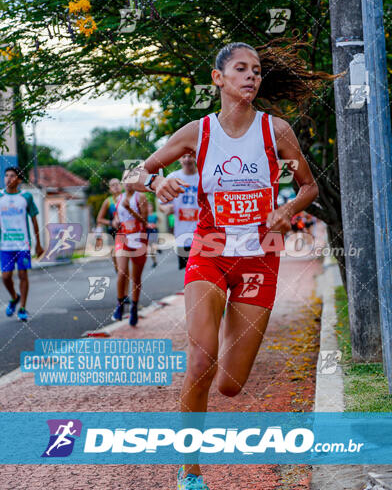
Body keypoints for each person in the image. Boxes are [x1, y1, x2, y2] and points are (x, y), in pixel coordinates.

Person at [129, 39, 328, 490]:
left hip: (261, 257)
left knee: (230, 385)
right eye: (241, 69)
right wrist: (155, 182)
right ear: (219, 79)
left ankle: (222, 336)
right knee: (199, 360)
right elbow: (134, 174)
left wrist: (287, 209)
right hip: (210, 251)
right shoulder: (196, 133)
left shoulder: (275, 131)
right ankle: (190, 470)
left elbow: (309, 187)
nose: (251, 77)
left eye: (256, 71)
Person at [0, 166, 43, 322]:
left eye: (12, 176)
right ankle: (14, 297)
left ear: (18, 180)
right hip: (5, 245)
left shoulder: (26, 197)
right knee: (5, 277)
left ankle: (23, 308)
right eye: (6, 176)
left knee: (23, 274)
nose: (8, 179)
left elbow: (34, 219)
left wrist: (38, 244)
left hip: (23, 244)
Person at [111, 181, 148, 326]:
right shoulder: (119, 198)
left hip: (139, 238)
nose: (128, 184)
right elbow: (116, 216)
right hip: (123, 237)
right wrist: (115, 221)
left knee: (136, 277)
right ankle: (120, 305)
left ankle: (134, 307)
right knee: (122, 272)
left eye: (131, 181)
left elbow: (145, 221)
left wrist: (131, 210)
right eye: (125, 180)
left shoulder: (141, 197)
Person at [158, 154, 199, 270]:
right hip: (182, 234)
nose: (187, 159)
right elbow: (162, 204)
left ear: (195, 157)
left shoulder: (203, 176)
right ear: (179, 159)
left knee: (203, 270)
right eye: (184, 157)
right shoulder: (173, 177)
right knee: (188, 270)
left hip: (202, 232)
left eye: (190, 156)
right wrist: (166, 208)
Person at [96, 178, 122, 273]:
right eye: (112, 185)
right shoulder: (108, 201)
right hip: (113, 231)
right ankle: (117, 269)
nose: (115, 186)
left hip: (126, 230)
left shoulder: (126, 198)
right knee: (114, 252)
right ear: (109, 189)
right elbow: (99, 219)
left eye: (117, 184)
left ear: (121, 186)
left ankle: (124, 270)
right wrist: (112, 223)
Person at [146, 202, 159, 268]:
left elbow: (159, 221)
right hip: (148, 232)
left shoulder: (154, 215)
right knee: (151, 248)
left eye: (150, 207)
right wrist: (147, 225)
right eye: (148, 207)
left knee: (154, 245)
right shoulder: (145, 216)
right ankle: (154, 261)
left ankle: (157, 248)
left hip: (154, 231)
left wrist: (155, 225)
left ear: (152, 208)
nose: (149, 208)